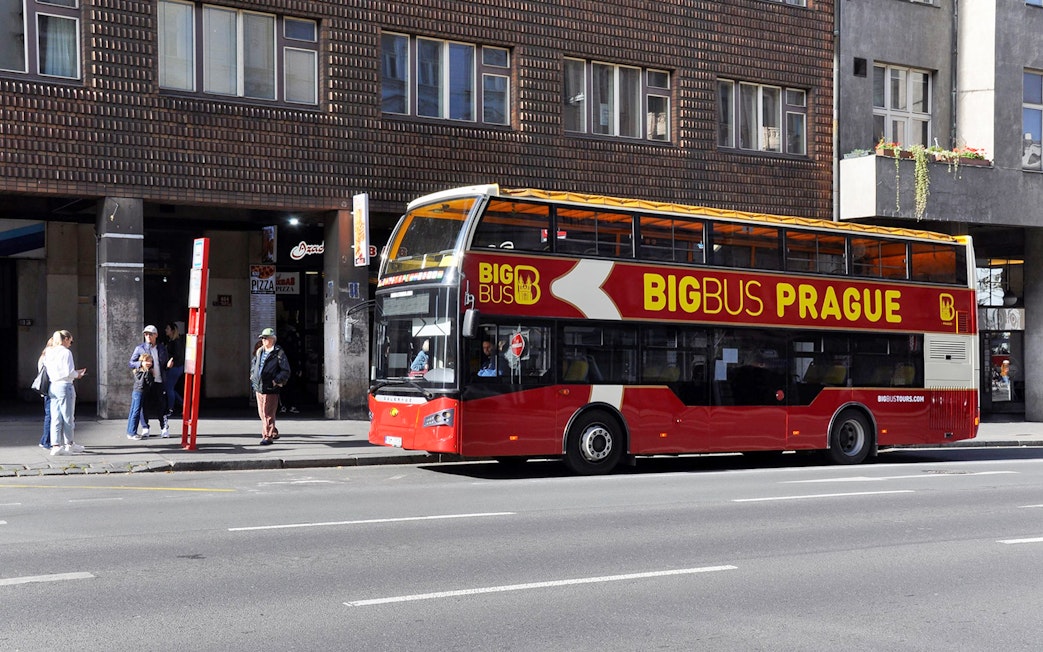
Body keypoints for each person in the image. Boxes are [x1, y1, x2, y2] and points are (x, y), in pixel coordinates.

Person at [42, 330, 87, 455]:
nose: (71, 344)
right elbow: (68, 372)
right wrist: (78, 374)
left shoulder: (49, 352)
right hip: (65, 385)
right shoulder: (66, 352)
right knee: (68, 417)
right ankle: (69, 443)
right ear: (66, 339)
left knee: (55, 417)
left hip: (53, 385)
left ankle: (55, 445)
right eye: (71, 341)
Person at [250, 327, 291, 446]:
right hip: (259, 386)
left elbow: (286, 370)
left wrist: (276, 381)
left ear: (272, 339)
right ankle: (273, 431)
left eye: (265, 338)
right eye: (262, 338)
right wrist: (253, 375)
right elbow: (254, 364)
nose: (263, 340)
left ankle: (267, 436)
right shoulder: (260, 351)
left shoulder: (278, 353)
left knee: (267, 413)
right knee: (262, 413)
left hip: (271, 387)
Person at [129, 325, 167, 437]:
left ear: (156, 335)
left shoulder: (161, 348)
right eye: (146, 334)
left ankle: (164, 427)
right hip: (146, 380)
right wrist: (141, 364)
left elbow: (163, 364)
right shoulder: (140, 348)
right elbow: (131, 363)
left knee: (161, 404)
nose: (148, 336)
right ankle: (145, 427)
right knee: (143, 405)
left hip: (159, 380)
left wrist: (168, 366)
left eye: (150, 334)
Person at [126, 353, 169, 440]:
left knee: (133, 411)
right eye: (147, 361)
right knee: (136, 412)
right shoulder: (143, 372)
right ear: (142, 361)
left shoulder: (138, 371)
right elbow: (148, 383)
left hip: (136, 392)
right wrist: (151, 375)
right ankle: (132, 432)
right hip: (140, 392)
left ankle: (130, 431)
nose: (149, 363)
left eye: (150, 361)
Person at [163, 321, 185, 417]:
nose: (166, 330)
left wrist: (170, 359)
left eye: (167, 328)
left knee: (169, 388)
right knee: (170, 387)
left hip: (175, 367)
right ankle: (184, 405)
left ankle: (171, 408)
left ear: (172, 331)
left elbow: (177, 355)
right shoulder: (172, 341)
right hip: (176, 367)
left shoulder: (176, 342)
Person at [37, 339, 55, 449]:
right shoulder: (48, 356)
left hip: (46, 389)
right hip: (49, 389)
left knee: (50, 415)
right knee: (50, 415)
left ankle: (45, 440)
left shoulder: (44, 356)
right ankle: (46, 441)